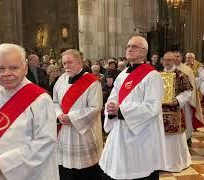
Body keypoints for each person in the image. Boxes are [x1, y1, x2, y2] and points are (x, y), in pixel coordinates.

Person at [0, 43, 59, 180]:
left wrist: (3, 165)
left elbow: (45, 142)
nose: (6, 73)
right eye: (1, 68)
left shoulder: (40, 99)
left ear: (25, 67)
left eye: (13, 68)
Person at [99, 36, 166, 180]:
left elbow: (152, 107)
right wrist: (110, 108)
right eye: (128, 46)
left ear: (144, 52)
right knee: (118, 169)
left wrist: (121, 110)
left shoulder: (152, 75)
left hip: (141, 135)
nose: (129, 49)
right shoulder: (122, 74)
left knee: (139, 172)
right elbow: (113, 97)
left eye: (134, 46)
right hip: (119, 131)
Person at [53, 49, 103, 180]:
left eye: (69, 62)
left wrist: (70, 117)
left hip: (84, 135)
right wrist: (59, 114)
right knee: (65, 171)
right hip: (64, 132)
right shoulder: (61, 80)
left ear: (80, 63)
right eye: (64, 63)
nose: (66, 66)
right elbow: (54, 101)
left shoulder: (92, 82)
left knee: (85, 172)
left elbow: (95, 108)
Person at [161, 52, 192, 172]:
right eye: (165, 60)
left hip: (174, 111)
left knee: (175, 138)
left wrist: (177, 100)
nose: (167, 62)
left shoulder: (181, 75)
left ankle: (176, 163)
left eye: (170, 60)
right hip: (159, 112)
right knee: (161, 137)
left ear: (174, 61)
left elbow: (188, 91)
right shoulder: (157, 74)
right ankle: (161, 164)